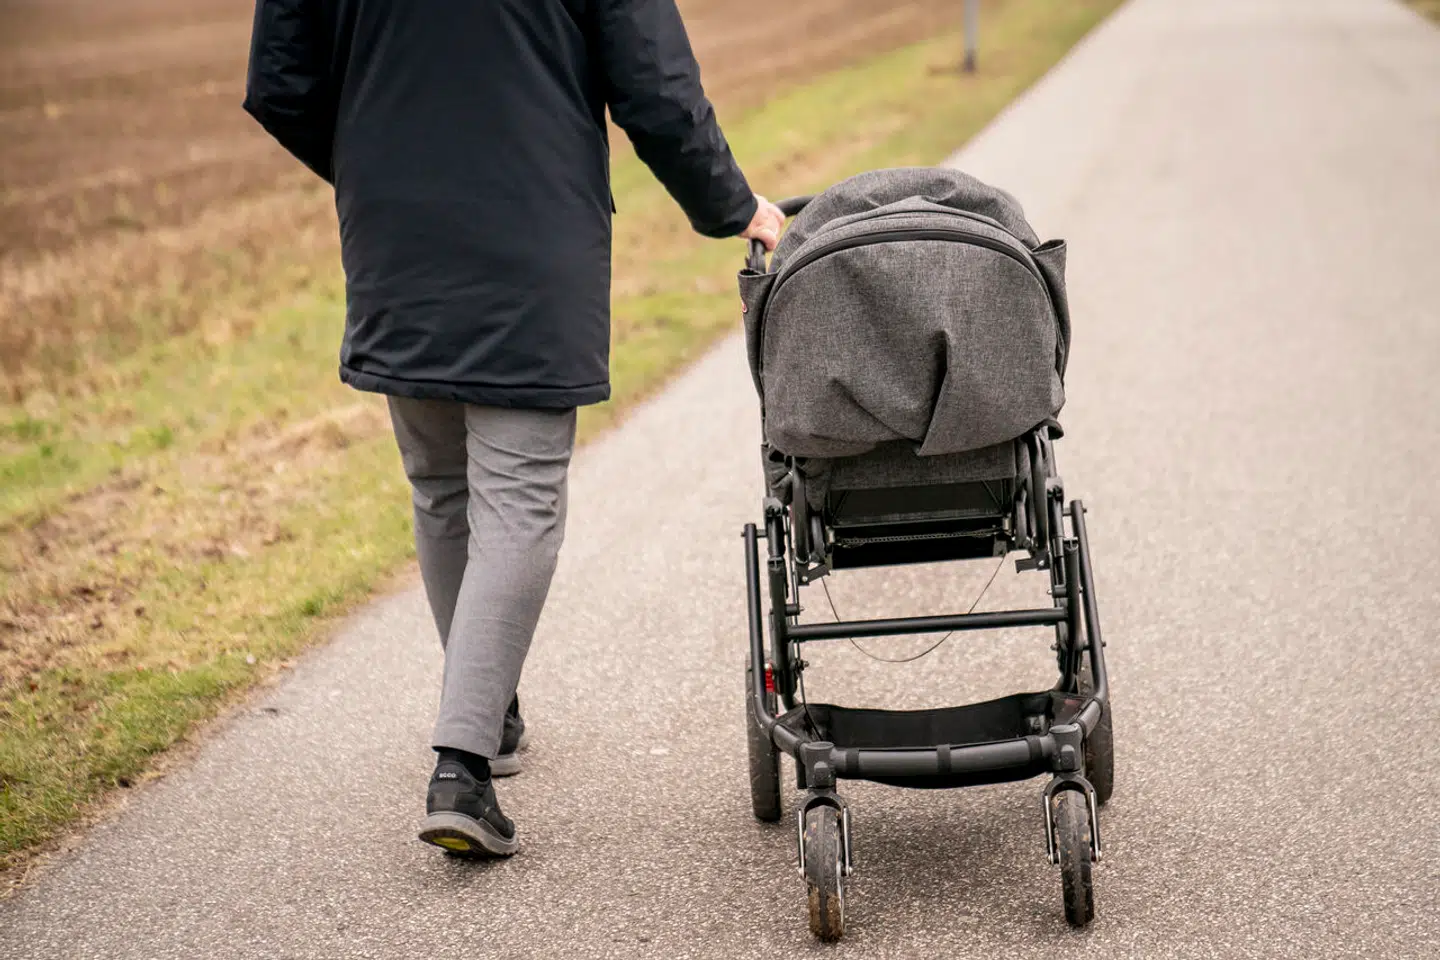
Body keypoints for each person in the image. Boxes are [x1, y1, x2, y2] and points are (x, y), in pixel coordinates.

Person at [244, 0, 784, 858]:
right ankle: (461, 767)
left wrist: (374, 165)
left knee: (440, 488)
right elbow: (655, 87)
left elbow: (280, 84)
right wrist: (734, 205)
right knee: (519, 501)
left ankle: (487, 714)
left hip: (393, 234)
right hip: (534, 227)